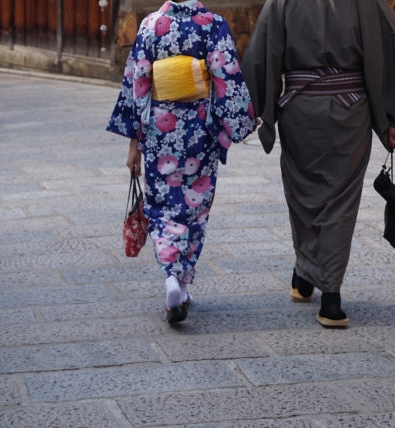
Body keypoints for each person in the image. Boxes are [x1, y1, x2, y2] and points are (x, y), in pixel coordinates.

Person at [242, 0, 395, 327]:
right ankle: (327, 296)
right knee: (340, 201)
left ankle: (312, 281)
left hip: (300, 108)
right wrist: (390, 117)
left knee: (304, 196)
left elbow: (262, 54)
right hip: (350, 110)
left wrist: (251, 108)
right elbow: (387, 44)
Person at [107, 0, 256, 323]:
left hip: (160, 131)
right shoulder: (212, 24)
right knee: (195, 205)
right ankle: (184, 282)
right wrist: (235, 125)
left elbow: (138, 84)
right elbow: (225, 78)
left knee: (161, 207)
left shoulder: (150, 25)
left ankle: (171, 277)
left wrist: (135, 144)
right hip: (200, 130)